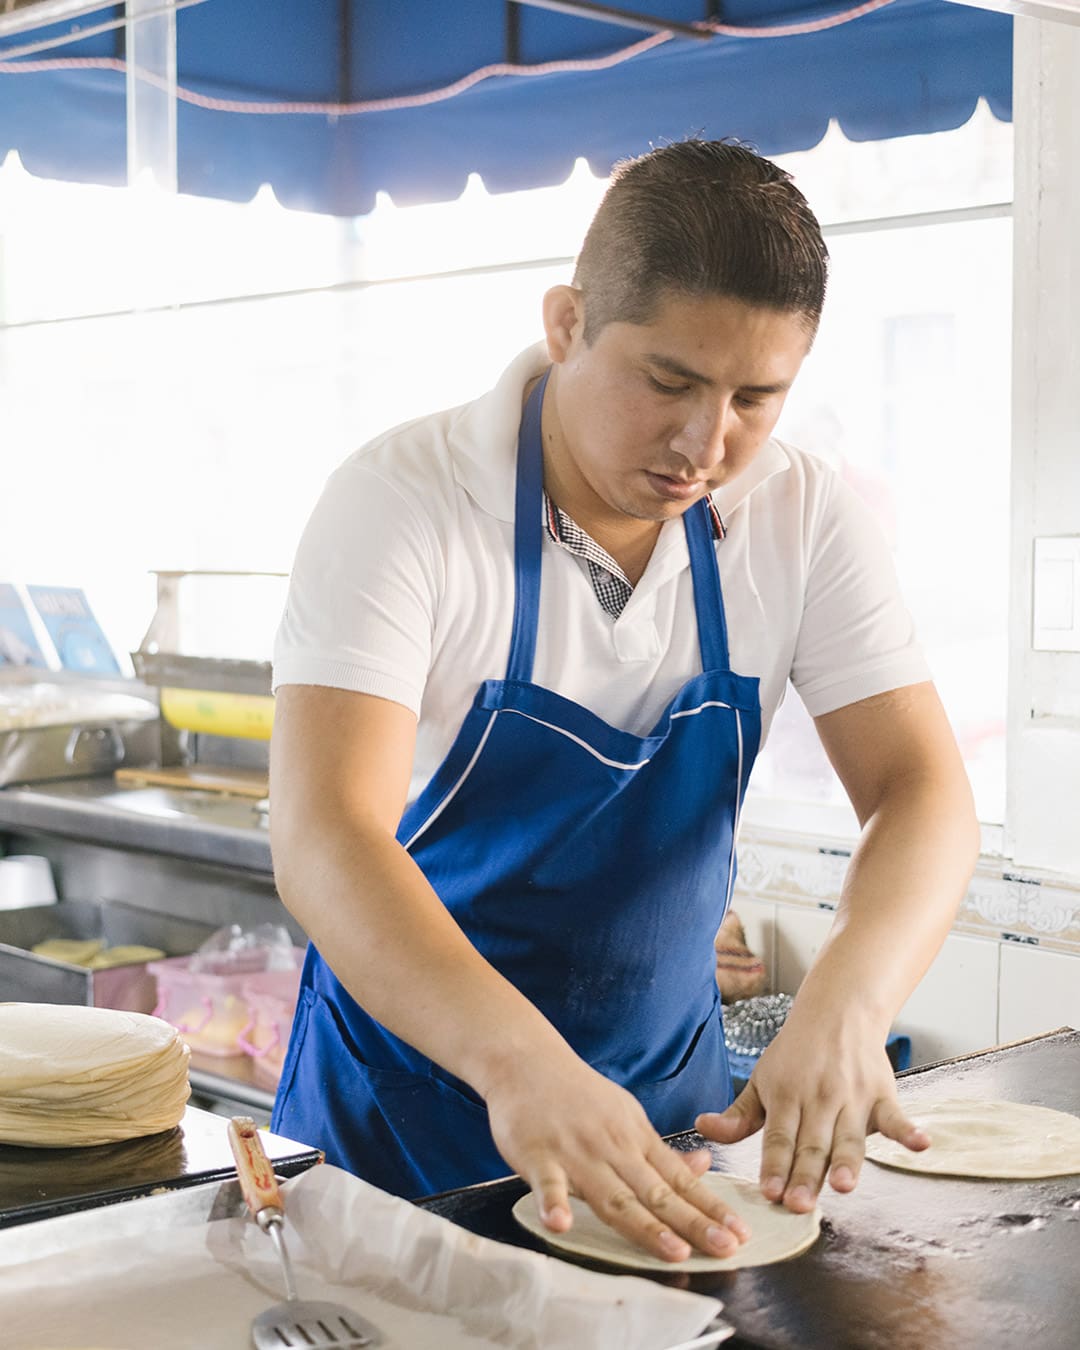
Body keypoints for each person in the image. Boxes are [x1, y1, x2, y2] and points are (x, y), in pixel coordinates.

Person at [269, 139, 979, 1264]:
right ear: (566, 324)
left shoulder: (800, 517)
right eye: (669, 382)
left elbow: (923, 790)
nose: (708, 444)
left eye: (757, 397)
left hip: (667, 1134)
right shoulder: (404, 501)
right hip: (404, 1128)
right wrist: (522, 1066)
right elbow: (323, 834)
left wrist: (847, 998)